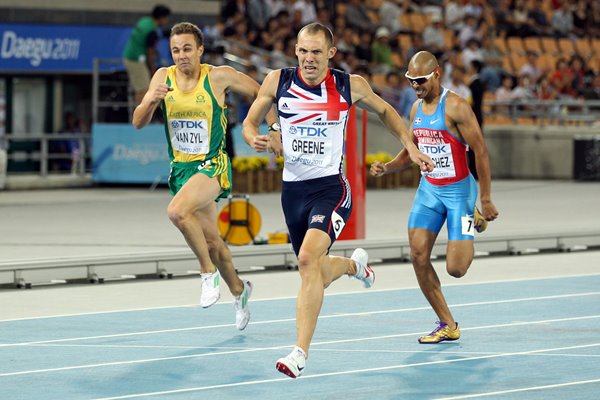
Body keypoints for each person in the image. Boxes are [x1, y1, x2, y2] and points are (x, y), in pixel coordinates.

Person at [242, 22, 434, 378]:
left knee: (306, 259)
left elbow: (387, 113)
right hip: (292, 192)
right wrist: (259, 135)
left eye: (317, 52)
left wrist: (410, 146)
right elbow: (248, 123)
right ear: (295, 51)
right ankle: (353, 266)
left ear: (331, 53)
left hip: (331, 189)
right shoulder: (277, 81)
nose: (309, 58)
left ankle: (299, 353)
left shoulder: (349, 85)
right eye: (303, 51)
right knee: (313, 268)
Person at [132, 22, 277, 330]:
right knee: (212, 241)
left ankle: (206, 274)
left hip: (213, 165)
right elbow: (138, 122)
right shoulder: (162, 77)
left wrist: (273, 128)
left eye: (187, 49)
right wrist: (150, 101)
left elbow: (262, 93)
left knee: (177, 211)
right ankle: (240, 291)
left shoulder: (218, 76)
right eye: (175, 50)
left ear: (199, 49)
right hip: (182, 170)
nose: (181, 55)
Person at [370, 51, 499, 344]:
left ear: (437, 73)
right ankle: (447, 324)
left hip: (460, 194)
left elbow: (479, 150)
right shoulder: (415, 109)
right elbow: (412, 151)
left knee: (457, 268)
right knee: (417, 255)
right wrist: (388, 167)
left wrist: (487, 198)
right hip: (429, 190)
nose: (416, 86)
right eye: (411, 81)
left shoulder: (456, 107)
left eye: (421, 80)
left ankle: (474, 218)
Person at [123, 4, 172, 106]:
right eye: (166, 18)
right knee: (143, 89)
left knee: (144, 88)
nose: (167, 21)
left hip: (130, 56)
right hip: (136, 60)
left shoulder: (145, 21)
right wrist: (152, 68)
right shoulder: (151, 32)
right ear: (161, 18)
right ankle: (140, 117)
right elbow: (150, 52)